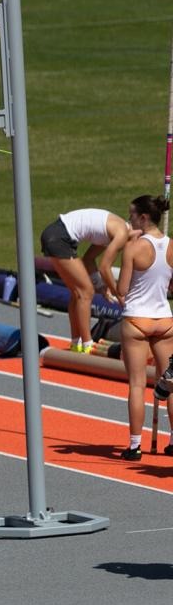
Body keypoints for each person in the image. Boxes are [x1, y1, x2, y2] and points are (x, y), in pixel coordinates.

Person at [117, 195, 173, 461]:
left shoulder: (133, 248)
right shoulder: (172, 245)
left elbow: (122, 290)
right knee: (170, 382)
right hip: (164, 320)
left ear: (143, 218)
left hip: (137, 320)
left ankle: (135, 445)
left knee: (137, 384)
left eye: (131, 215)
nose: (129, 220)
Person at [39, 207, 133, 353]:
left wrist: (101, 287)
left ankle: (76, 343)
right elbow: (104, 267)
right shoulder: (122, 232)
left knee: (77, 293)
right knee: (86, 292)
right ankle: (88, 344)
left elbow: (89, 259)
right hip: (59, 237)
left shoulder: (112, 232)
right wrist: (118, 294)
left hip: (55, 234)